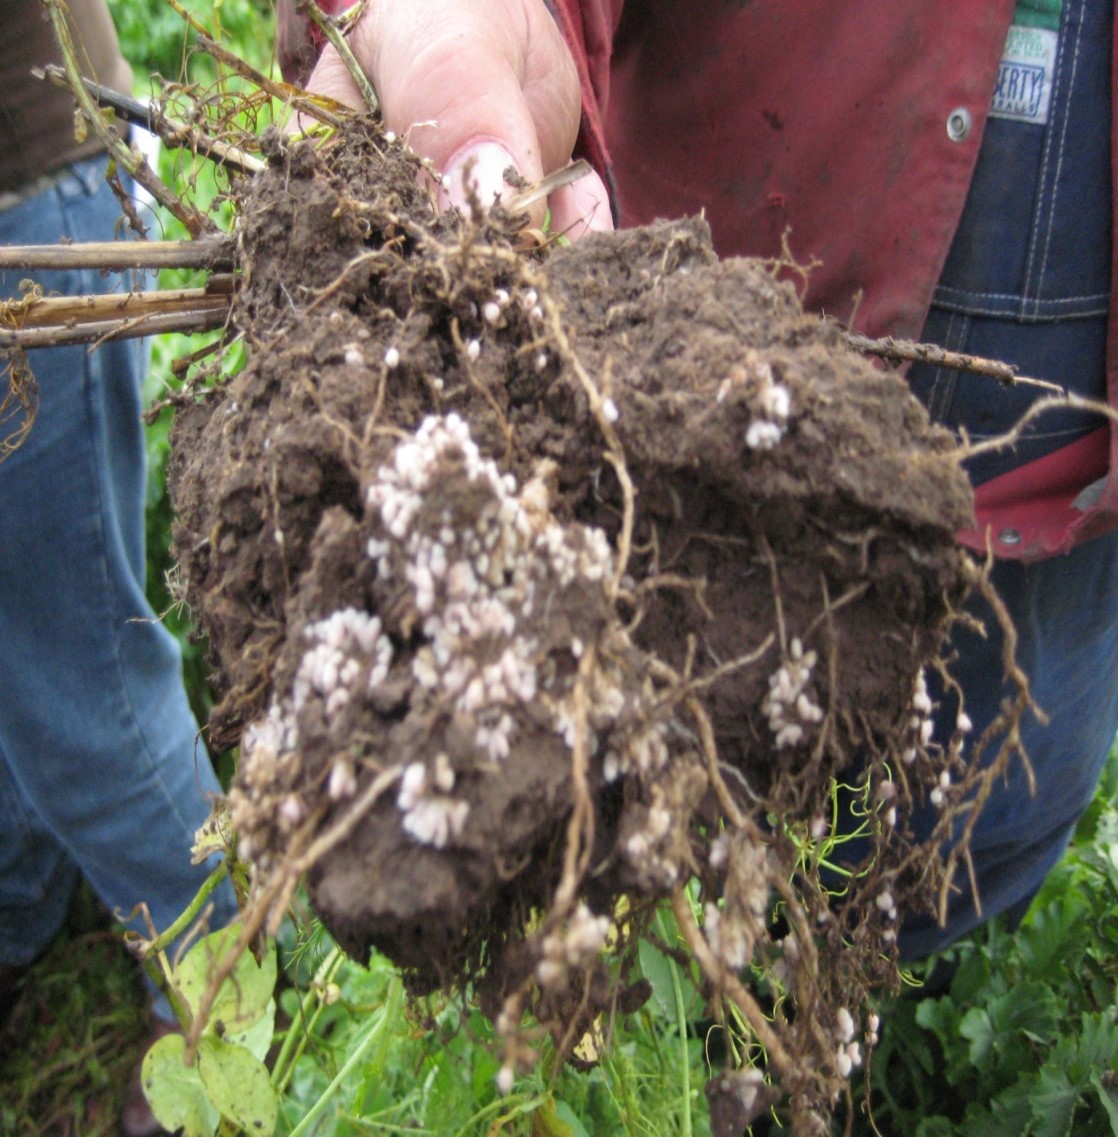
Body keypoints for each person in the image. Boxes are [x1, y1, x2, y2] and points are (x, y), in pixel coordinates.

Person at [282, 0, 1118, 959]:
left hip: (1066, 524)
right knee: (682, 826)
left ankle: (858, 984)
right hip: (704, 443)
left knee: (980, 832)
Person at [0, 4, 239, 1134]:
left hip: (29, 224)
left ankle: (224, 1017)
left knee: (84, 675)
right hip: (48, 182)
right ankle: (23, 898)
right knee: (28, 647)